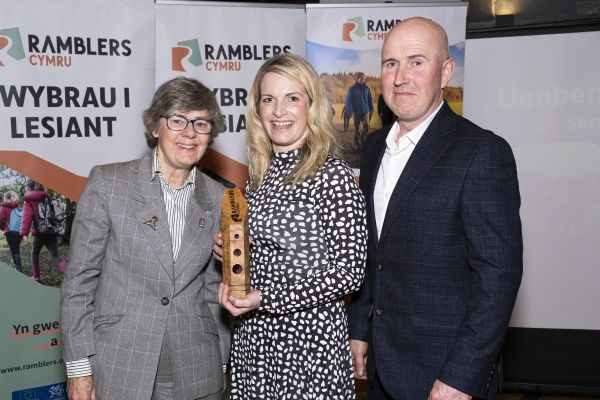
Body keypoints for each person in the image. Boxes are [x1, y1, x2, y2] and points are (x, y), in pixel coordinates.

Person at [347, 17, 523, 400]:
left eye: (416, 62)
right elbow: (372, 254)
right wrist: (359, 328)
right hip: (381, 367)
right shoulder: (375, 147)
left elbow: (498, 278)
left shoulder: (482, 153)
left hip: (446, 377)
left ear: (445, 72)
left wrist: (461, 376)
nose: (400, 77)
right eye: (391, 63)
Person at [60, 77, 231, 400]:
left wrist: (221, 360)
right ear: (155, 127)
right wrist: (79, 370)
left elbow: (214, 290)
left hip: (197, 368)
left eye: (201, 123)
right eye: (177, 120)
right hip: (120, 364)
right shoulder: (109, 184)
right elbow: (79, 282)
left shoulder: (220, 198)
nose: (189, 133)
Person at [216, 53, 367, 399]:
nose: (279, 111)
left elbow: (349, 273)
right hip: (255, 345)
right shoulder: (259, 178)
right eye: (268, 99)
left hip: (307, 351)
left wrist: (266, 298)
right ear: (257, 109)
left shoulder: (332, 176)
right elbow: (272, 253)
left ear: (311, 106)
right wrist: (232, 253)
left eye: (292, 98)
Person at [20, 180, 68, 281]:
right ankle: (70, 274)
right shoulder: (46, 196)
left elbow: (26, 217)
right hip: (51, 230)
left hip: (39, 232)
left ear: (29, 188)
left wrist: (24, 234)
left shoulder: (29, 199)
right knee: (55, 254)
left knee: (35, 253)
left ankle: (36, 277)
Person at [345, 71, 374, 150]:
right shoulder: (352, 89)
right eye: (361, 78)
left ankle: (364, 142)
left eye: (364, 78)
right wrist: (349, 111)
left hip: (366, 111)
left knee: (366, 126)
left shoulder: (367, 88)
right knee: (357, 129)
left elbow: (370, 99)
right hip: (356, 112)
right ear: (357, 78)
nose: (363, 79)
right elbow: (348, 101)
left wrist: (372, 109)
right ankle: (357, 144)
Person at [0, 191, 23, 272]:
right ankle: (15, 263)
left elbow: (1, 220)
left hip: (9, 231)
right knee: (16, 248)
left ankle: (18, 268)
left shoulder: (3, 207)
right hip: (19, 231)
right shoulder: (18, 207)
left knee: (14, 250)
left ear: (6, 198)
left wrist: (4, 228)